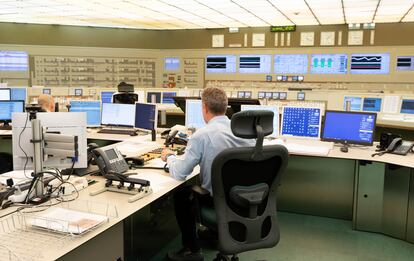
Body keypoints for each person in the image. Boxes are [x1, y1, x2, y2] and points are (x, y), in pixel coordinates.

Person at [161, 87, 255, 261]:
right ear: (226, 108)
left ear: (204, 107)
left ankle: (192, 250)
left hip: (217, 202)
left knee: (182, 194)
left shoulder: (202, 135)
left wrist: (170, 158)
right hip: (246, 199)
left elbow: (180, 173)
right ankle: (215, 233)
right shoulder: (247, 133)